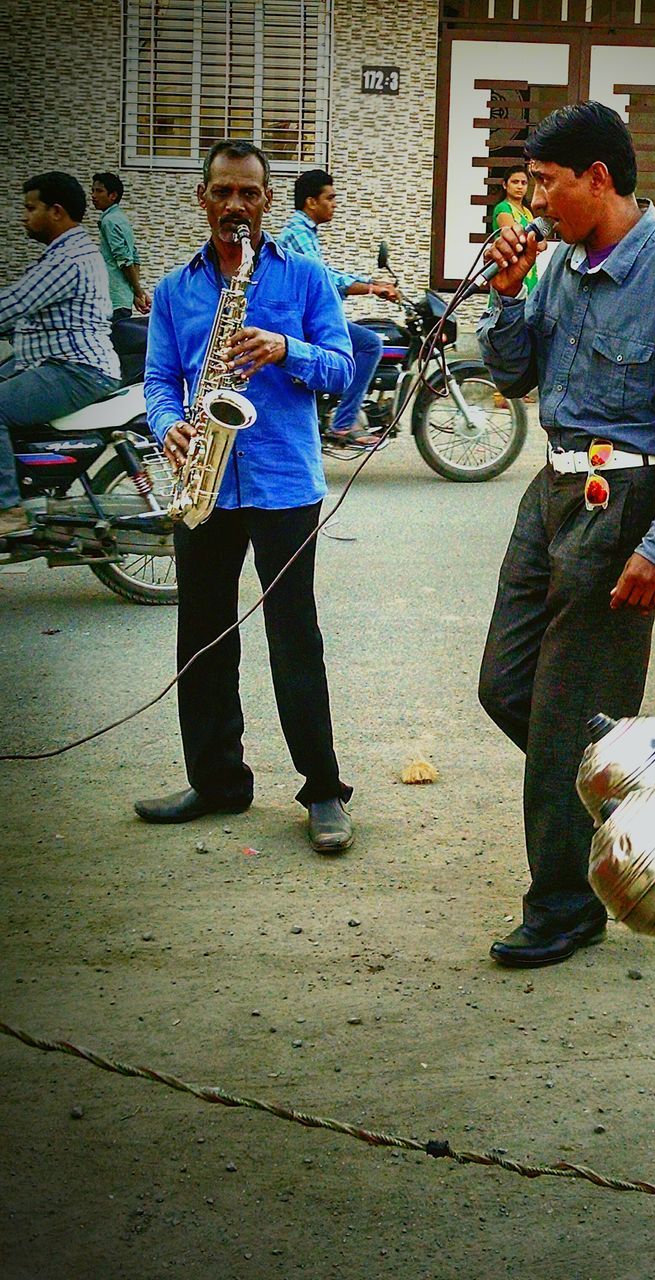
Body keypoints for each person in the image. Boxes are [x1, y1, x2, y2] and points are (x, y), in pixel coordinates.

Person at [476, 102, 655, 968]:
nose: (538, 202)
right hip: (550, 494)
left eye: (549, 184)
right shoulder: (553, 268)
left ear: (599, 177)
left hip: (624, 499)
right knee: (505, 685)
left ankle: (564, 907)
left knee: (562, 716)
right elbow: (513, 374)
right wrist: (507, 295)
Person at [135, 140, 357, 854]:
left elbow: (344, 367)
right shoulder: (175, 290)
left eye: (250, 194)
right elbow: (161, 380)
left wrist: (285, 349)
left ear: (267, 202)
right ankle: (217, 781)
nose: (235, 206)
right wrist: (170, 428)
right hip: (205, 475)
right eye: (222, 192)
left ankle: (323, 791)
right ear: (203, 198)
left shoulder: (306, 277)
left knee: (295, 637)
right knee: (201, 635)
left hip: (284, 481)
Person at [0, 171, 121, 538]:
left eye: (29, 207)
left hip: (77, 369)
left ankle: (8, 509)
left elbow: (15, 302)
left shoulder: (68, 258)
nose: (23, 216)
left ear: (56, 211)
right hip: (53, 362)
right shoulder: (65, 253)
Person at [276, 168, 397, 446]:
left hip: (306, 316)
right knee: (369, 344)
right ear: (311, 202)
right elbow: (323, 279)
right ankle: (344, 423)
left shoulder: (305, 232)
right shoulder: (297, 233)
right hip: (303, 321)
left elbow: (325, 273)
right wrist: (371, 288)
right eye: (329, 198)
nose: (334, 204)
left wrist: (370, 282)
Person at [90, 172, 151, 321]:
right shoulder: (121, 218)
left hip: (113, 300)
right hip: (122, 299)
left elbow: (124, 260)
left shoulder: (109, 221)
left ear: (113, 195)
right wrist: (134, 293)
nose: (93, 196)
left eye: (99, 191)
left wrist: (138, 291)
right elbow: (134, 257)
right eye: (92, 191)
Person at [493, 166, 539, 294]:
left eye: (523, 183)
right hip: (510, 267)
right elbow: (516, 240)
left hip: (529, 269)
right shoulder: (503, 208)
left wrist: (532, 242)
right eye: (515, 182)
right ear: (504, 185)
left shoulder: (527, 212)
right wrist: (532, 242)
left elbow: (542, 243)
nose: (520, 186)